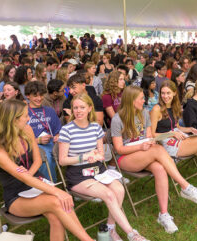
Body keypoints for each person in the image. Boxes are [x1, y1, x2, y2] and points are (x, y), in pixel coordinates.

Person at [0, 99, 94, 241]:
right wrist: (57, 191)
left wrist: (29, 175)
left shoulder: (27, 130)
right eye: (25, 116)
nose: (29, 118)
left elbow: (37, 160)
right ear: (13, 120)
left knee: (56, 216)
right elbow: (22, 178)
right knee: (58, 201)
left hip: (35, 182)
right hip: (16, 196)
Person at [111, 85, 197, 234]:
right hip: (126, 157)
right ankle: (185, 186)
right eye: (142, 98)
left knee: (160, 168)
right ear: (132, 100)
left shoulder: (144, 113)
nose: (145, 100)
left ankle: (163, 214)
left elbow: (150, 136)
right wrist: (142, 147)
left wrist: (159, 139)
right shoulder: (118, 119)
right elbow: (119, 149)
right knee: (158, 150)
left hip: (147, 152)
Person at [58, 93, 149, 241]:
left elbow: (101, 153)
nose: (78, 111)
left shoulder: (95, 127)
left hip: (98, 170)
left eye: (82, 107)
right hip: (78, 175)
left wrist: (97, 156)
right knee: (109, 194)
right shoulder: (67, 130)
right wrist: (84, 156)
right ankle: (132, 234)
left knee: (119, 189)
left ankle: (110, 229)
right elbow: (62, 160)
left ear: (89, 108)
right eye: (75, 107)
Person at [25, 81, 61, 182]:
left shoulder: (49, 110)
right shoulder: (24, 112)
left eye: (41, 95)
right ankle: (50, 184)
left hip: (51, 143)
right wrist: (37, 140)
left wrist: (57, 136)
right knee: (46, 157)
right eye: (35, 96)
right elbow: (19, 139)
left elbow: (58, 130)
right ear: (28, 96)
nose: (39, 98)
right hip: (32, 145)